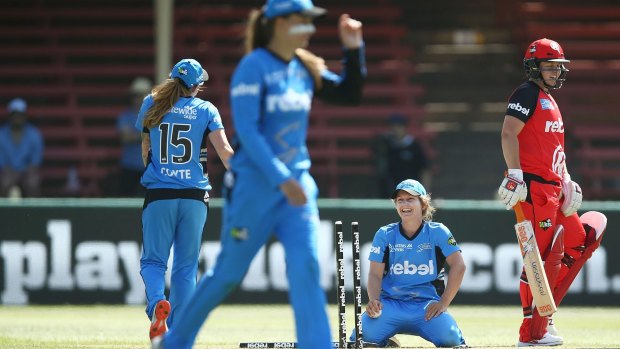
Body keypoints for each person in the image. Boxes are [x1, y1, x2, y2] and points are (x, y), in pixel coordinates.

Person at [152, 1, 365, 348]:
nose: (311, 29)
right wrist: (282, 178)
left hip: (297, 187)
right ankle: (174, 342)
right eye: (303, 21)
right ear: (279, 24)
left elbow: (350, 94)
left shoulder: (303, 67)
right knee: (227, 275)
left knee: (308, 268)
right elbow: (248, 133)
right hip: (256, 188)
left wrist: (354, 49)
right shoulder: (253, 68)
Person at [498, 38, 607, 347]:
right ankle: (530, 333)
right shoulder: (527, 93)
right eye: (550, 66)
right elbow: (508, 133)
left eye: (559, 67)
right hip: (534, 189)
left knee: (579, 242)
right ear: (534, 66)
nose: (557, 72)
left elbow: (553, 148)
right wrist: (515, 174)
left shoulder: (548, 98)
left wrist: (567, 179)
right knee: (541, 256)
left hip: (554, 188)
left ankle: (543, 317)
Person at [135, 59, 234, 340]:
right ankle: (178, 332)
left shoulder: (151, 103)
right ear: (197, 85)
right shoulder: (207, 110)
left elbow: (145, 148)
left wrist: (157, 173)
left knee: (153, 262)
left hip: (159, 195)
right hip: (194, 197)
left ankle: (157, 304)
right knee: (186, 267)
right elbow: (226, 152)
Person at [352, 179, 466, 348]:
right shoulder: (384, 234)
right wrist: (374, 300)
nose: (404, 204)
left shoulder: (438, 232)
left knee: (451, 340)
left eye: (410, 199)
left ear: (423, 203)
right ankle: (388, 342)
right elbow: (374, 274)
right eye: (400, 200)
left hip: (427, 307)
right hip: (390, 304)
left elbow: (459, 266)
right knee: (362, 338)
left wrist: (443, 302)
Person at [375, 113, 430, 197]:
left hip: (411, 191)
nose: (395, 130)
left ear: (404, 128)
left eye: (398, 126)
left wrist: (424, 192)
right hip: (390, 191)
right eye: (392, 127)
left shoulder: (415, 146)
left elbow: (425, 169)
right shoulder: (386, 145)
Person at [0, 98, 44, 197]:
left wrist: (23, 174)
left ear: (25, 116)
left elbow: (35, 162)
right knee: (4, 182)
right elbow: (2, 163)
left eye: (20, 114)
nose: (17, 118)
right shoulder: (1, 134)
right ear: (10, 116)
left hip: (27, 173)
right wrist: (10, 173)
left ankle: (34, 212)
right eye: (15, 115)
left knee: (33, 183)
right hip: (7, 173)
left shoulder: (35, 134)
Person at [117, 77, 152, 196]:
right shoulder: (125, 116)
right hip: (129, 167)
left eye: (143, 95)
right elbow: (125, 138)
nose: (140, 98)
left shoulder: (157, 116)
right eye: (136, 95)